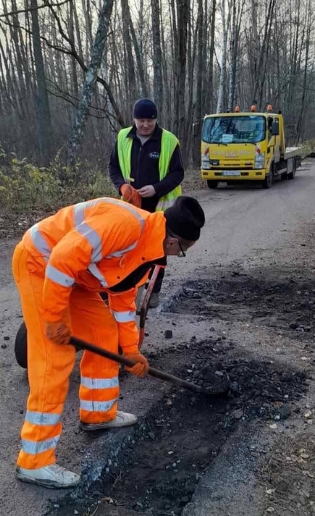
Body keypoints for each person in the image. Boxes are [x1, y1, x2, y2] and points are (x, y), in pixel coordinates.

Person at [11, 195, 205, 488]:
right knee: (54, 358)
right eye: (184, 251)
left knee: (104, 331)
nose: (179, 256)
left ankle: (97, 413)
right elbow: (63, 258)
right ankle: (34, 461)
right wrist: (55, 319)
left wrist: (131, 352)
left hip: (75, 277)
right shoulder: (126, 226)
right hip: (42, 263)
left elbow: (123, 300)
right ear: (173, 241)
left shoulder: (148, 250)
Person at [108, 98, 185, 308]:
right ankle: (130, 288)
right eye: (140, 120)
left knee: (157, 250)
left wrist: (156, 188)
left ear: (155, 120)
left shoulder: (168, 141)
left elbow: (178, 173)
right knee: (129, 249)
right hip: (130, 206)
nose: (145, 125)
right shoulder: (123, 137)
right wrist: (122, 186)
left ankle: (153, 291)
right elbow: (113, 168)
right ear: (134, 119)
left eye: (149, 120)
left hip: (158, 208)